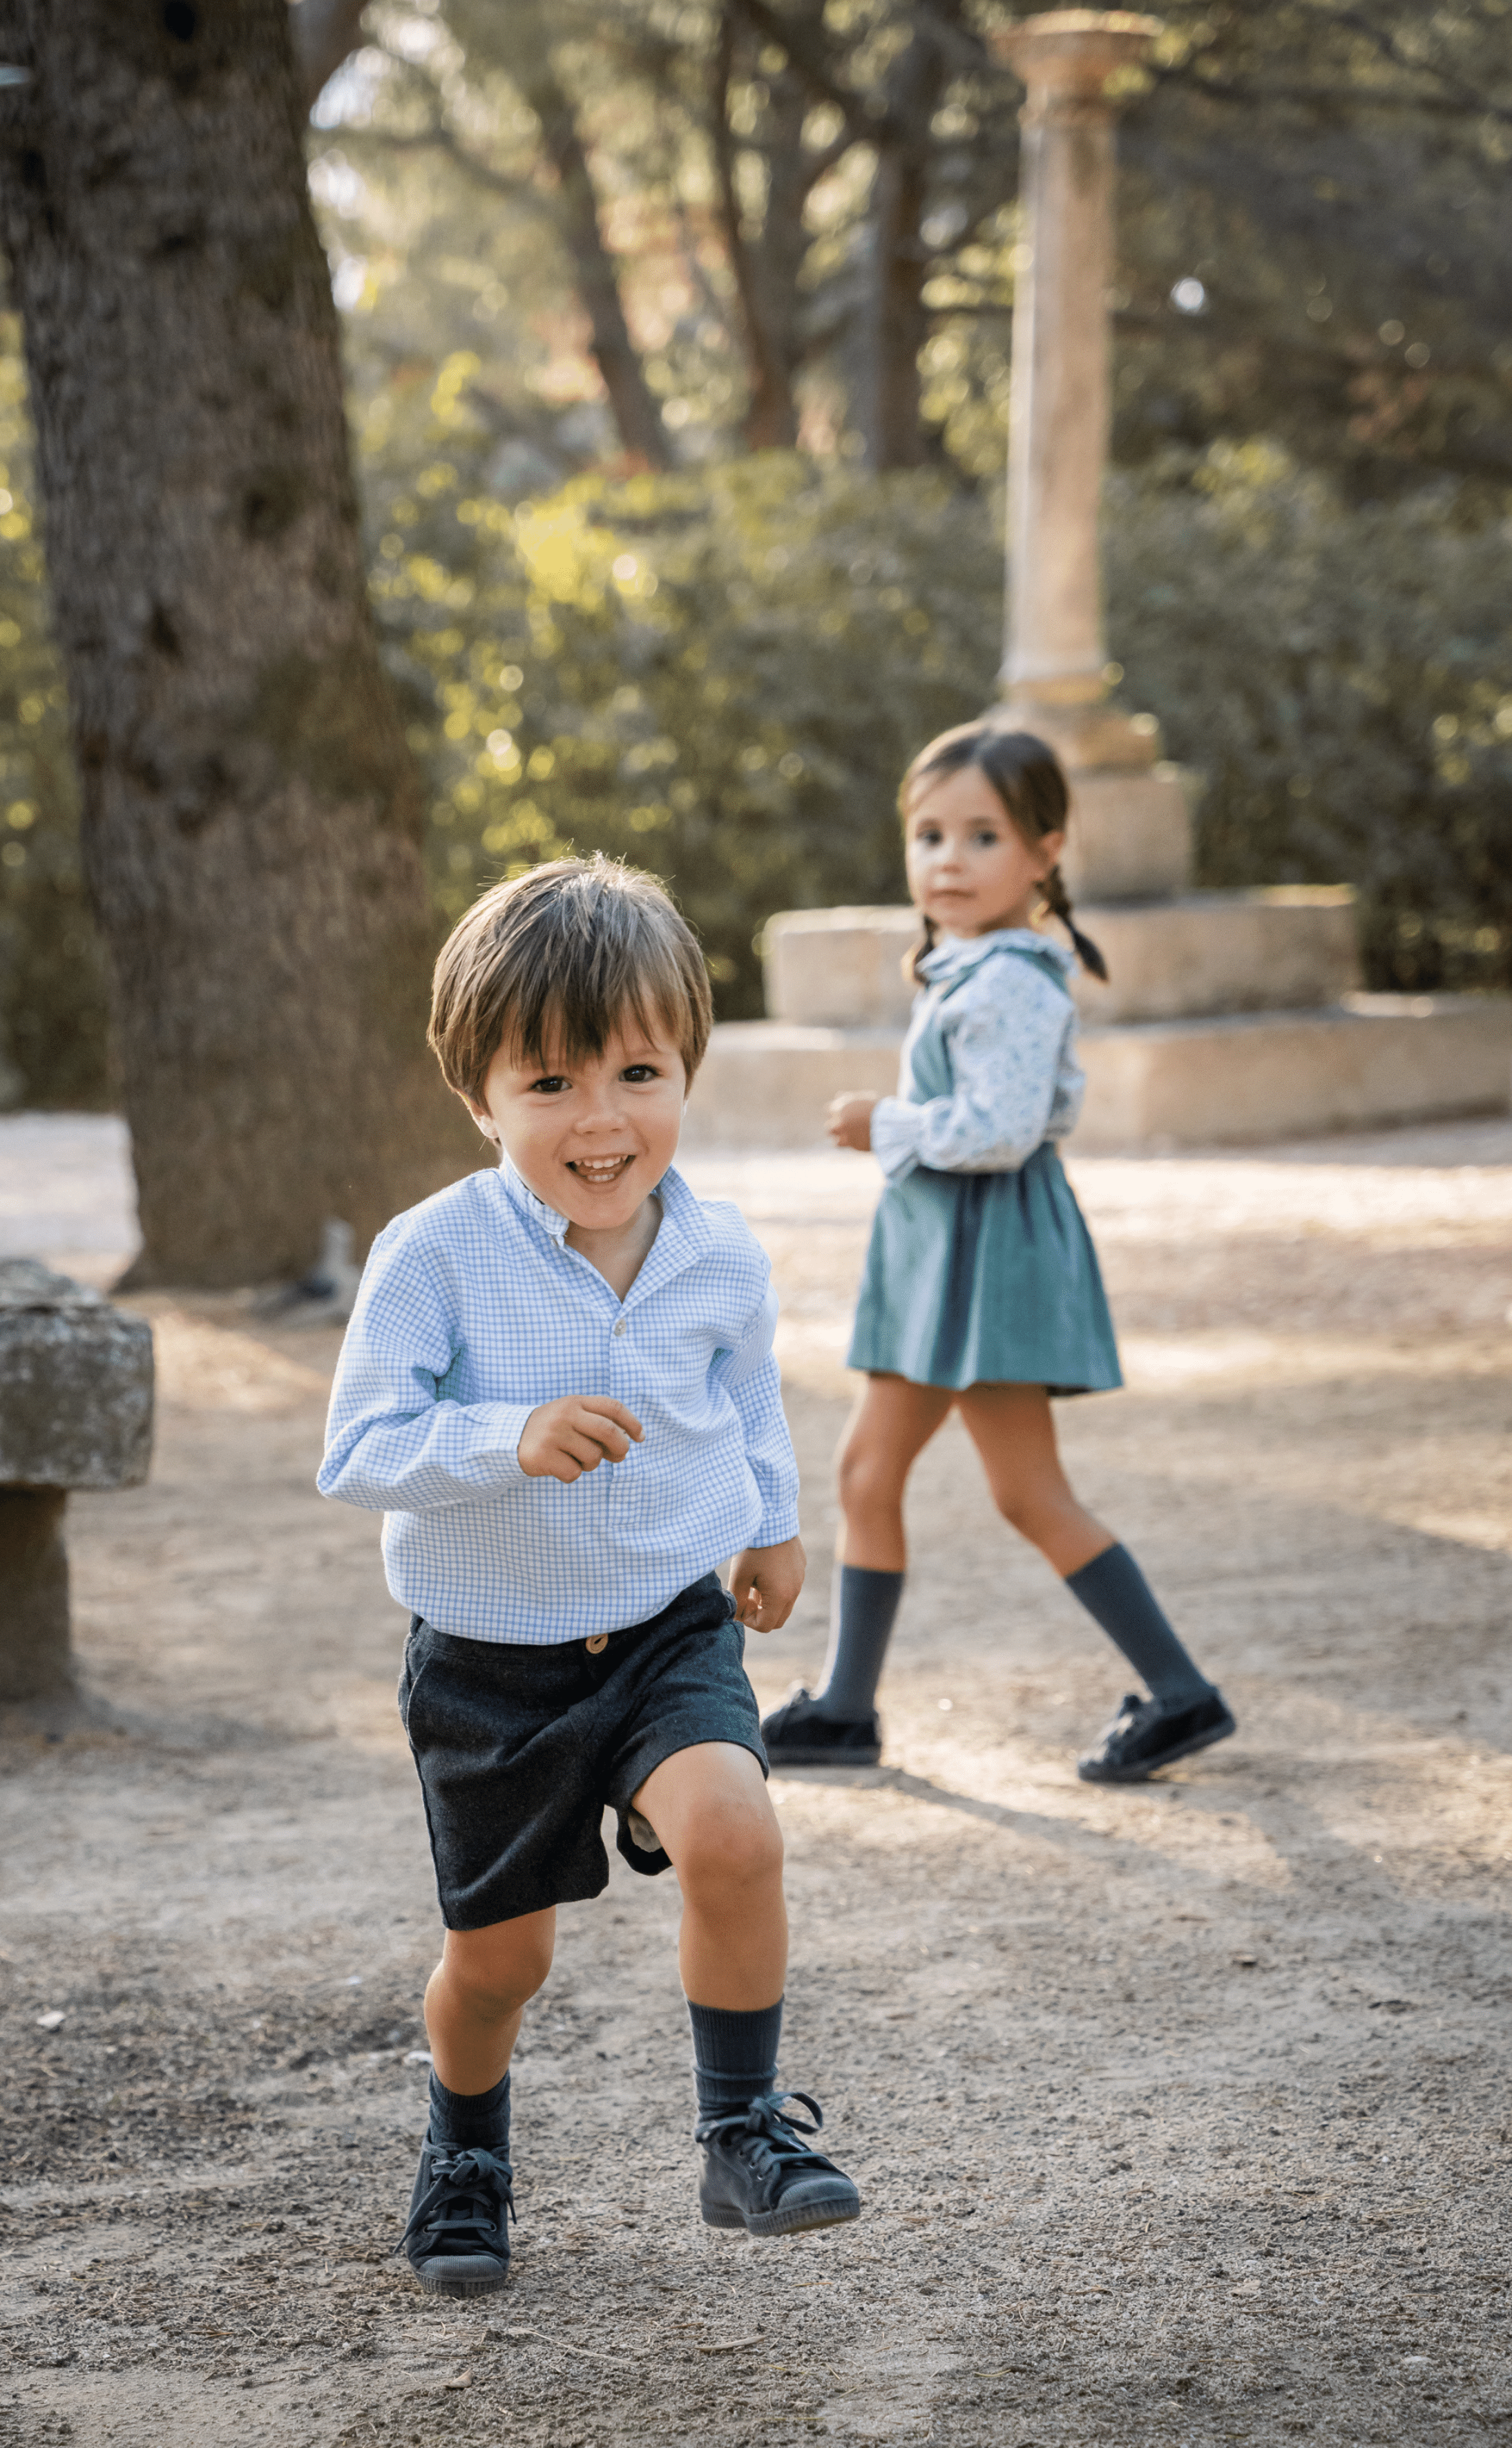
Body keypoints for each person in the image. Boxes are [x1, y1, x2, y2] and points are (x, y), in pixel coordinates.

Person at [318, 855, 861, 2299]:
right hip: (491, 1663)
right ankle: (466, 2149)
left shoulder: (718, 1249)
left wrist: (771, 1519)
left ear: (687, 1064)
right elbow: (359, 1447)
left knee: (736, 1835)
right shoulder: (431, 1254)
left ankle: (740, 2128)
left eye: (636, 1069)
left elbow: (744, 1397)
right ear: (477, 1094)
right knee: (501, 1967)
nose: (601, 1118)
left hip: (666, 1630)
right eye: (548, 1083)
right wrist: (507, 1435)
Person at [760, 722, 1236, 1787]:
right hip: (943, 1255)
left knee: (1024, 1491)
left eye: (982, 835)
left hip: (988, 1257)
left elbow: (1003, 1127)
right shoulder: (973, 966)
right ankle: (845, 1706)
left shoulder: (1016, 979)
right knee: (867, 1469)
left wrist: (886, 1122)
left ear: (1046, 851)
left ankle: (1180, 1692)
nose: (948, 859)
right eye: (929, 834)